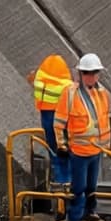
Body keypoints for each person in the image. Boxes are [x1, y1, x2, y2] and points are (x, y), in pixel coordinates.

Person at [54, 53, 111, 221]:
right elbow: (59, 121)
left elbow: (104, 119)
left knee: (91, 186)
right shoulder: (70, 94)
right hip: (79, 152)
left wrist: (106, 146)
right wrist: (61, 145)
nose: (92, 77)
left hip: (96, 151)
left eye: (95, 73)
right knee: (78, 188)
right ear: (80, 74)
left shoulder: (102, 93)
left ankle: (90, 211)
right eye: (88, 73)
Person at [30, 54, 72, 188]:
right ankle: (68, 182)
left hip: (46, 113)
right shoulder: (67, 84)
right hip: (63, 115)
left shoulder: (40, 78)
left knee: (53, 150)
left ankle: (59, 183)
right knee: (65, 150)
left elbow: (32, 80)